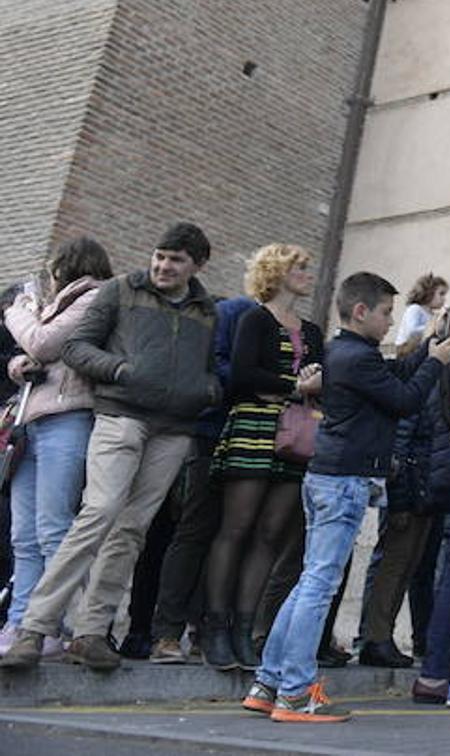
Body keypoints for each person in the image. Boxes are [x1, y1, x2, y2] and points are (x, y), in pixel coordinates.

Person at [1, 223, 220, 673]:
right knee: (97, 514)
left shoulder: (206, 311)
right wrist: (120, 371)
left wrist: (207, 390)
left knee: (132, 529)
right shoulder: (121, 291)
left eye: (175, 260)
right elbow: (76, 348)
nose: (163, 266)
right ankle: (34, 629)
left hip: (173, 429)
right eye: (159, 255)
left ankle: (91, 633)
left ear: (197, 265)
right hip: (121, 416)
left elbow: (211, 367)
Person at [240, 271, 450, 723]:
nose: (390, 321)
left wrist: (427, 348)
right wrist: (435, 363)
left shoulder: (347, 353)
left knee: (309, 582)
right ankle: (295, 693)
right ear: (360, 311)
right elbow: (404, 399)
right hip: (343, 482)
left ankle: (269, 682)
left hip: (329, 478)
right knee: (319, 586)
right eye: (385, 313)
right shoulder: (356, 358)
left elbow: (394, 376)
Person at [200, 245, 325, 671]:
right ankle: (215, 628)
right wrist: (295, 386)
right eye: (299, 268)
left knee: (271, 533)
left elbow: (320, 379)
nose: (307, 274)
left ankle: (244, 628)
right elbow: (241, 375)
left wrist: (293, 386)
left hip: (296, 432)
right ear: (277, 272)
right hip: (253, 428)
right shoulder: (255, 318)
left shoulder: (312, 330)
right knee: (236, 527)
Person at [1, 236, 113, 655]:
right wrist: (18, 364)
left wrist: (14, 309)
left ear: (64, 266)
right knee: (23, 535)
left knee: (53, 529)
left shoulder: (93, 298)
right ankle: (20, 624)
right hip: (32, 421)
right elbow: (34, 352)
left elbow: (44, 343)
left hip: (68, 418)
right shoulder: (56, 306)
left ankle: (51, 625)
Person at [361, 309, 450, 669]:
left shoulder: (441, 375)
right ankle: (375, 638)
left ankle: (384, 637)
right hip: (411, 485)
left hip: (426, 486)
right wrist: (398, 495)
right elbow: (404, 434)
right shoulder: (424, 374)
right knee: (395, 563)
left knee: (411, 565)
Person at [149, 293, 258, 663]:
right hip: (213, 431)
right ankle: (167, 631)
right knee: (196, 530)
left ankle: (204, 630)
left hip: (254, 438)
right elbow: (215, 364)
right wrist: (257, 379)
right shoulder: (235, 311)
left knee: (229, 537)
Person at [397, 274, 449, 347]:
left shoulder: (432, 314)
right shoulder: (415, 309)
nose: (444, 298)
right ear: (429, 293)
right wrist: (433, 327)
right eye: (441, 294)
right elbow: (411, 331)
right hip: (406, 348)